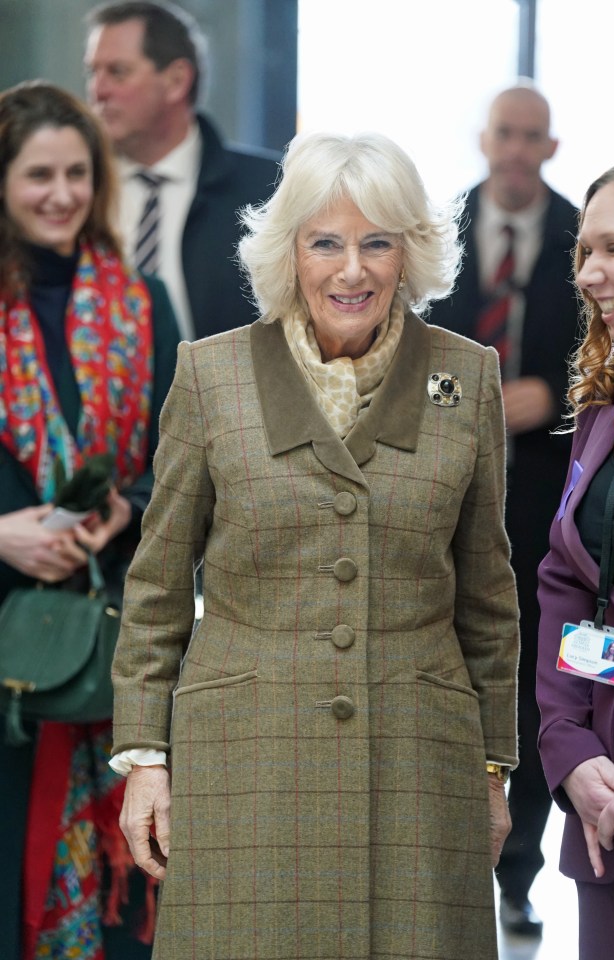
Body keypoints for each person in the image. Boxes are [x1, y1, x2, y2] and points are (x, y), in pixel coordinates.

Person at [108, 130, 520, 960]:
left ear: (412, 252)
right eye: (325, 243)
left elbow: (487, 597)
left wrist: (491, 772)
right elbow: (154, 589)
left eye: (378, 243)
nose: (352, 270)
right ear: (288, 250)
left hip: (418, 768)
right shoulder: (210, 375)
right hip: (245, 768)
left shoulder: (467, 379)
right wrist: (146, 760)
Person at [0, 80, 181, 960]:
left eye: (78, 172)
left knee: (123, 916)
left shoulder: (143, 305)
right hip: (6, 651)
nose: (63, 193)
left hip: (116, 647)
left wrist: (123, 511)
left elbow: (182, 473)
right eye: (39, 174)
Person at [428, 81, 580, 937]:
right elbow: (410, 352)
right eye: (506, 134)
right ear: (485, 140)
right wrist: (473, 396)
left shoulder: (576, 236)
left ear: (549, 147)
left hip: (544, 501)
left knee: (525, 687)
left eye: (533, 137)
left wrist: (550, 394)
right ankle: (442, 862)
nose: (518, 150)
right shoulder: (440, 227)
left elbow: (607, 361)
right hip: (448, 492)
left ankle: (516, 872)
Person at [537, 154, 614, 960]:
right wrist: (569, 745)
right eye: (584, 253)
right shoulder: (611, 408)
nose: (589, 274)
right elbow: (571, 580)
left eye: (611, 248)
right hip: (604, 810)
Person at [84, 0, 281, 340]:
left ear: (176, 80)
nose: (97, 90)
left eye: (117, 72)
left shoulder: (268, 190)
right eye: (93, 72)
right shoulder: (75, 192)